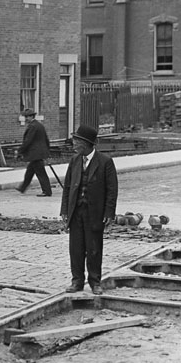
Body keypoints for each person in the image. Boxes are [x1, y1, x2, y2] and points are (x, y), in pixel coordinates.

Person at [61, 125, 118, 295]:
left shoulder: (105, 162)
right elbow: (68, 187)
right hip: (76, 212)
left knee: (94, 249)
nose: (74, 144)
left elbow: (112, 189)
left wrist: (109, 213)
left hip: (95, 213)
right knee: (76, 249)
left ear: (86, 144)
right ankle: (77, 281)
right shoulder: (75, 160)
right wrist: (64, 210)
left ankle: (95, 282)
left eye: (77, 141)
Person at [16, 108, 52, 197]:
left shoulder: (33, 126)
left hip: (35, 154)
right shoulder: (39, 125)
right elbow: (46, 139)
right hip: (38, 153)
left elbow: (28, 140)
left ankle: (47, 191)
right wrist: (46, 151)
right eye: (25, 117)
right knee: (30, 171)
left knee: (41, 173)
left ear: (32, 116)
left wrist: (20, 150)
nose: (26, 119)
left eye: (27, 117)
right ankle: (23, 187)